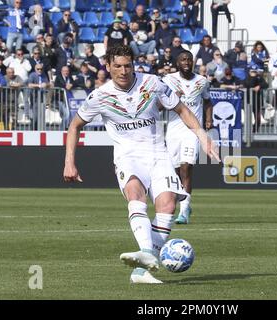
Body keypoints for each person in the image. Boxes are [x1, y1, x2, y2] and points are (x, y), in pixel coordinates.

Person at [63, 44, 220, 284]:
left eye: (128, 65)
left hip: (158, 153)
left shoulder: (153, 84)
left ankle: (142, 268)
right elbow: (74, 126)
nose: (123, 71)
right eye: (117, 66)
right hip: (127, 156)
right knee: (135, 193)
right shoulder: (100, 97)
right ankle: (147, 253)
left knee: (167, 206)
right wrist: (69, 163)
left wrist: (202, 136)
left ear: (134, 65)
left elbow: (182, 109)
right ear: (108, 66)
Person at [163, 50, 212, 224]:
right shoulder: (168, 80)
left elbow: (207, 101)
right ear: (178, 63)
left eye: (189, 60)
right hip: (174, 131)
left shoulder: (202, 81)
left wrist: (208, 118)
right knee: (175, 172)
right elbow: (159, 104)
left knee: (186, 167)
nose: (186, 62)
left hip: (192, 130)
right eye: (183, 59)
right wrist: (170, 99)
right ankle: (185, 204)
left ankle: (183, 210)